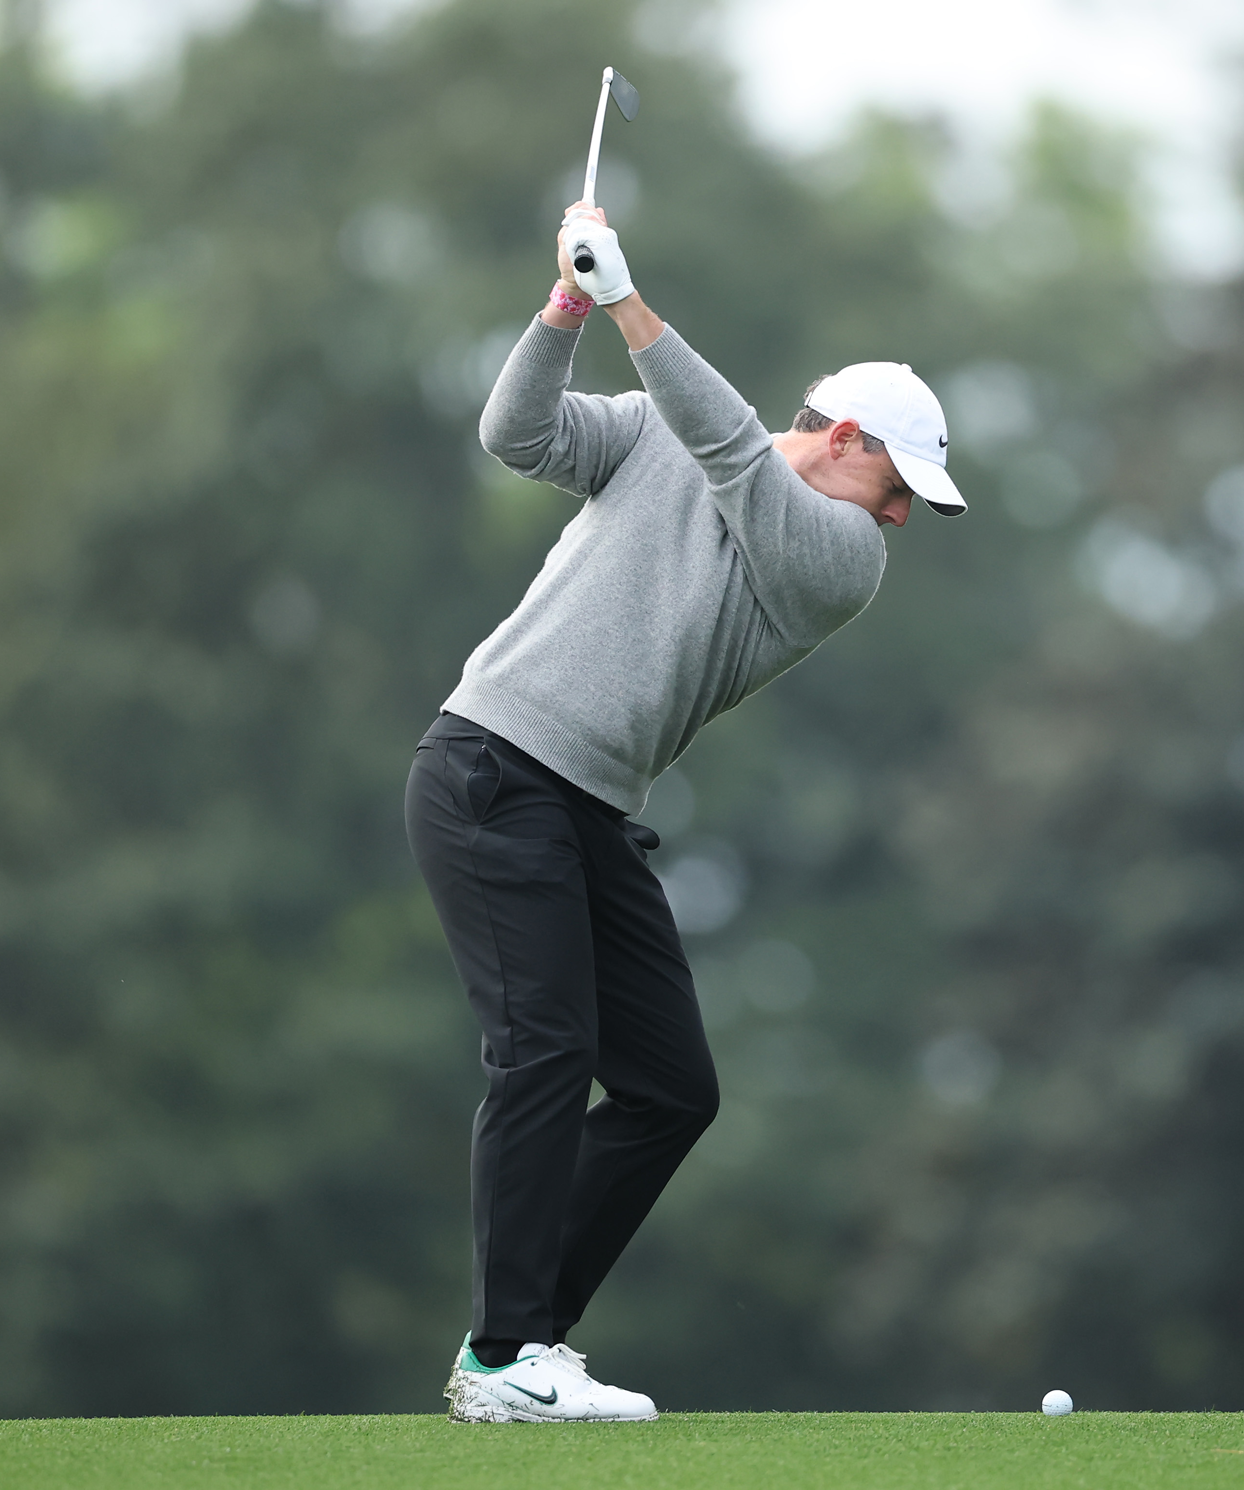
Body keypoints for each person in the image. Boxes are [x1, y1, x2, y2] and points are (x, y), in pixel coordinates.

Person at [405, 203, 965, 1423]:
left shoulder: (840, 560)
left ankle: (524, 1338)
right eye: (898, 485)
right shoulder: (662, 431)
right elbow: (516, 433)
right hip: (493, 767)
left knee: (671, 1086)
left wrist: (630, 302)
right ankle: (506, 1356)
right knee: (545, 1048)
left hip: (588, 806)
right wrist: (568, 307)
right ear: (847, 437)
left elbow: (736, 461)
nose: (901, 517)